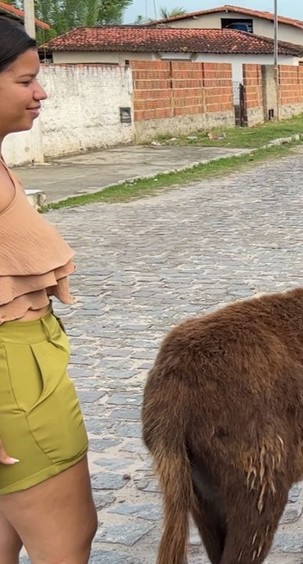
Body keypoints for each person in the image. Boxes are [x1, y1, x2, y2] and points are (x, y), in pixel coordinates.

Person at [0, 18, 97, 563]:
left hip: (26, 370)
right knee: (67, 540)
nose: (41, 92)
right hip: (14, 385)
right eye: (24, 80)